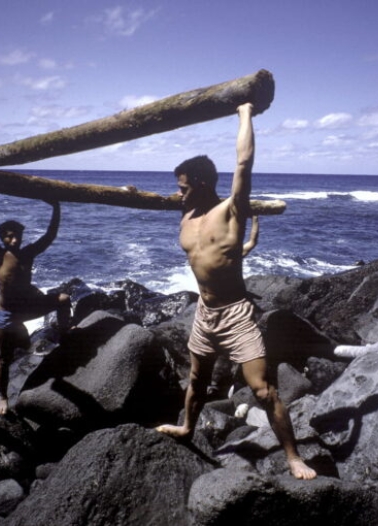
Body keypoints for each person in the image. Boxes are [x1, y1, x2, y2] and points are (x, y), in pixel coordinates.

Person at [156, 103, 317, 480]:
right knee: (197, 381)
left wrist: (244, 113)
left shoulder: (231, 211)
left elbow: (243, 162)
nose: (178, 193)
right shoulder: (186, 214)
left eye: (182, 187)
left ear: (201, 184)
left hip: (236, 316)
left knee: (263, 390)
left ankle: (293, 457)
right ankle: (187, 428)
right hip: (204, 314)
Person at [0, 190, 71, 415]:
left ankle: (65, 334)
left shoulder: (28, 253)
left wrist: (56, 206)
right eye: (9, 236)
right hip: (5, 314)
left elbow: (50, 235)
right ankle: (3, 398)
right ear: (2, 238)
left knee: (64, 299)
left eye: (17, 235)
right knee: (3, 359)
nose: (14, 240)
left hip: (28, 308)